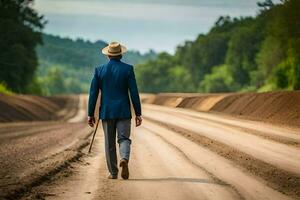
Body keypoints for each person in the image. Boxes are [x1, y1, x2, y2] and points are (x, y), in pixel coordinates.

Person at [87, 42, 142, 180]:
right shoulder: (128, 69)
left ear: (108, 56)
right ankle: (124, 158)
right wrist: (138, 113)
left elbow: (93, 93)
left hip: (107, 112)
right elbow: (134, 92)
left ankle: (113, 172)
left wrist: (90, 114)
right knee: (124, 139)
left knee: (109, 143)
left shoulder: (99, 70)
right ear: (121, 55)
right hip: (123, 110)